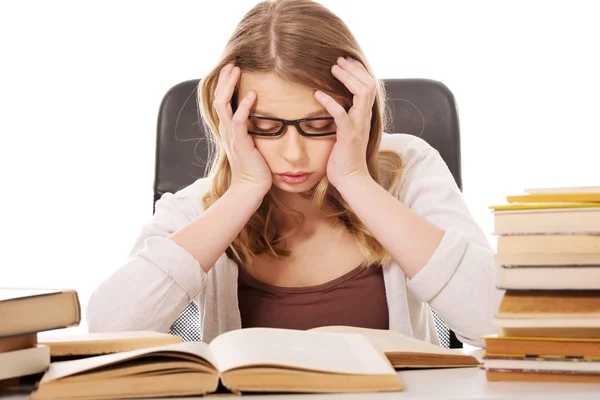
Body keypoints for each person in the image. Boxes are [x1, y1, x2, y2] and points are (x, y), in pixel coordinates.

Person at [87, 0, 502, 347]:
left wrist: (356, 181)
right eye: (265, 127)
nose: (293, 154)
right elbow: (108, 331)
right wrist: (244, 190)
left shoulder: (408, 167)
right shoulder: (202, 206)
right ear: (229, 119)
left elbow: (499, 323)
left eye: (320, 125)